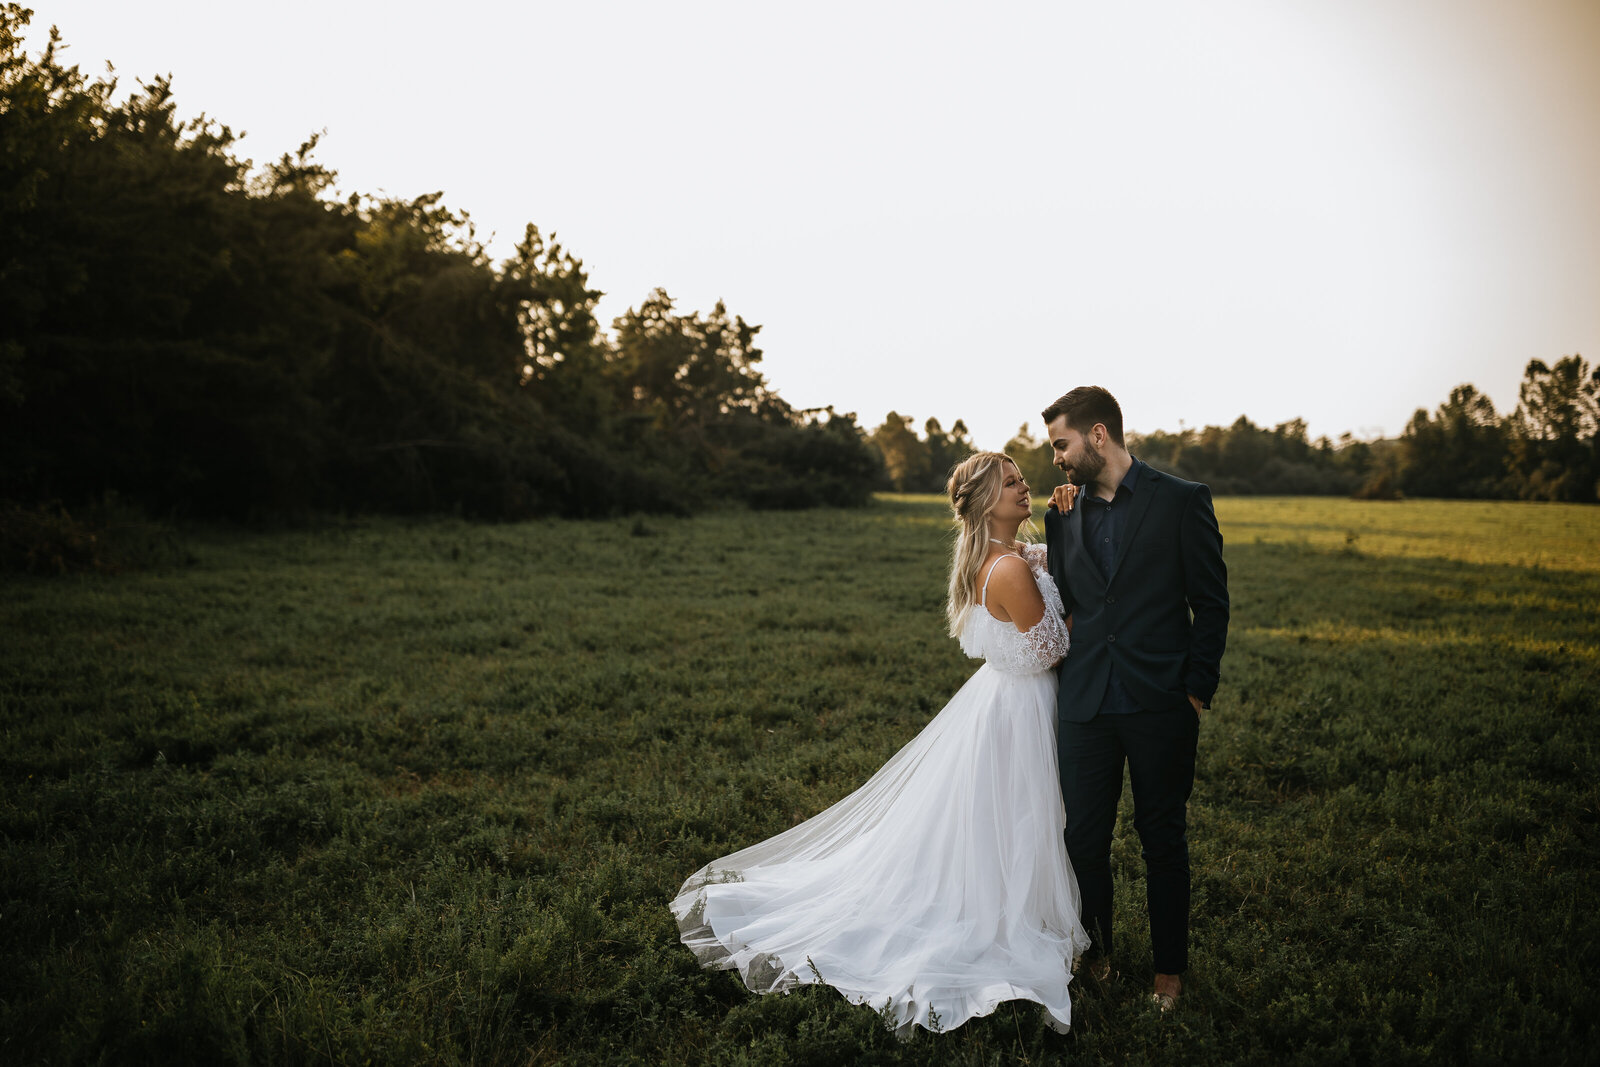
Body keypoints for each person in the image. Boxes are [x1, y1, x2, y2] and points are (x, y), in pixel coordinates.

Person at [669, 451, 1091, 1037]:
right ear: (986, 501)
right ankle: (1013, 921)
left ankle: (1019, 908)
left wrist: (1070, 519)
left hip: (1001, 701)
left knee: (1004, 822)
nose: (1025, 488)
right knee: (1019, 819)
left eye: (1023, 479)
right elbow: (1049, 649)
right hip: (1020, 706)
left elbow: (1058, 562)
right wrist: (1096, 619)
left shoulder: (1007, 556)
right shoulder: (1010, 569)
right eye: (1012, 483)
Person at [1040, 386, 1229, 1012]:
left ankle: (1169, 973)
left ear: (1098, 435)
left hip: (1161, 703)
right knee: (1083, 841)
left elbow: (1212, 602)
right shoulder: (1062, 513)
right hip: (1086, 703)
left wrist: (1196, 691)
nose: (1057, 460)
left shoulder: (1181, 501)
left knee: (1162, 841)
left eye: (1062, 445)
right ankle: (1099, 955)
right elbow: (1068, 602)